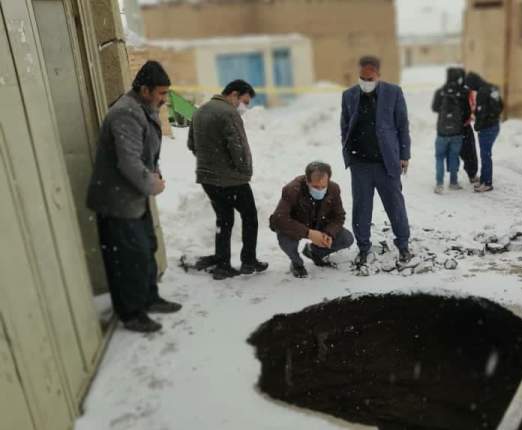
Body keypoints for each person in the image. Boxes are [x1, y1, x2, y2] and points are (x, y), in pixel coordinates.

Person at [86, 61, 182, 333]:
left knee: (146, 247)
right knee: (127, 258)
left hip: (134, 196)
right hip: (117, 201)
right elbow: (128, 162)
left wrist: (155, 173)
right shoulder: (125, 114)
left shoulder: (144, 108)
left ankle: (149, 298)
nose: (164, 99)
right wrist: (153, 184)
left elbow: (147, 153)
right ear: (144, 89)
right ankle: (131, 313)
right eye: (161, 93)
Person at [188, 79, 268, 280]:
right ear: (234, 94)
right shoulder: (228, 113)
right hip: (231, 180)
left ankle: (223, 264)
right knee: (249, 217)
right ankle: (248, 261)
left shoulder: (200, 111)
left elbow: (191, 144)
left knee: (224, 219)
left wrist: (210, 162)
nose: (245, 107)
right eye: (245, 101)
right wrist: (244, 170)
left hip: (207, 178)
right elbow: (238, 147)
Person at [340, 55, 413, 265]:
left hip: (386, 162)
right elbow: (344, 126)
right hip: (360, 164)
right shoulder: (349, 95)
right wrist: (349, 155)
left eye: (370, 78)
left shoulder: (393, 93)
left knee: (395, 205)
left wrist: (404, 155)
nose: (366, 82)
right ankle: (363, 247)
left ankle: (403, 245)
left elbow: (402, 126)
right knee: (361, 208)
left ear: (379, 75)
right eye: (362, 78)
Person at [269, 162, 354, 278]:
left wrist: (329, 233)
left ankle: (314, 252)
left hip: (320, 223)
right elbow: (278, 219)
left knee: (346, 238)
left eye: (323, 187)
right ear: (307, 181)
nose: (320, 190)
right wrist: (308, 233)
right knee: (286, 241)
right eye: (315, 187)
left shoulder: (334, 188)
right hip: (297, 225)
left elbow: (339, 216)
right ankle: (296, 263)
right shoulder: (292, 190)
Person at [431, 67, 471, 194]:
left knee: (439, 158)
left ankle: (439, 184)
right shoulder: (463, 92)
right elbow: (467, 111)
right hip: (457, 132)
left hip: (442, 132)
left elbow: (435, 108)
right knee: (454, 156)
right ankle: (453, 182)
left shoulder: (440, 92)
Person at [465, 72, 503, 193]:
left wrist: (477, 126)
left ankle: (487, 183)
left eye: (470, 86)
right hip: (495, 125)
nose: (471, 89)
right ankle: (483, 179)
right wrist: (493, 117)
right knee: (486, 154)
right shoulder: (493, 87)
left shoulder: (482, 93)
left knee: (485, 155)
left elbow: (481, 113)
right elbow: (501, 106)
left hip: (486, 128)